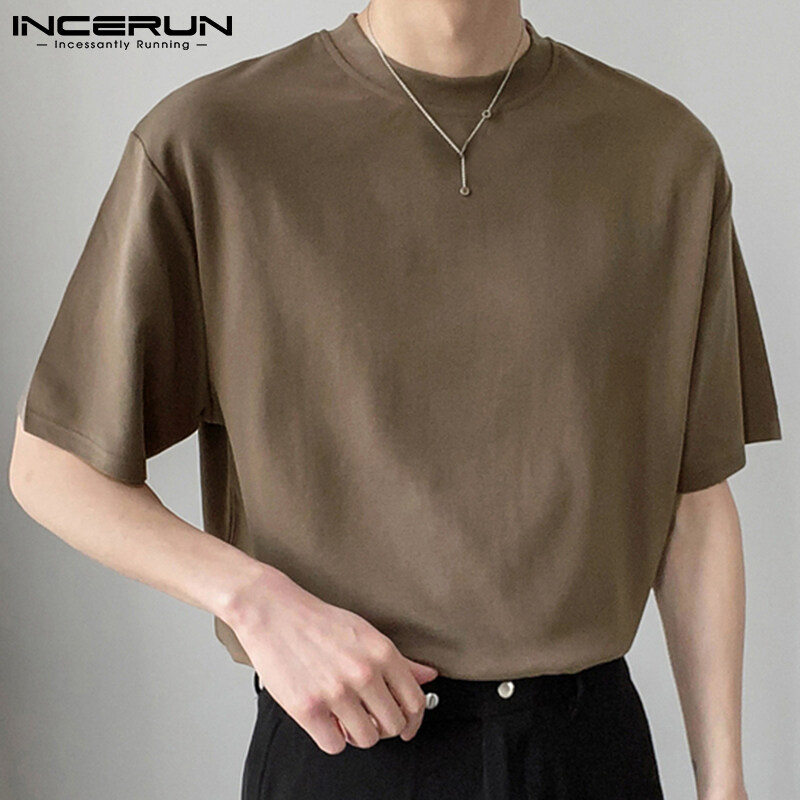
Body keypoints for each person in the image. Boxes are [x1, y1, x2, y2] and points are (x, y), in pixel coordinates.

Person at [8, 1, 782, 798]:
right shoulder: (211, 143)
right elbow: (51, 468)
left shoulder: (662, 153)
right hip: (347, 749)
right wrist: (254, 601)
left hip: (587, 755)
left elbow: (693, 502)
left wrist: (725, 787)